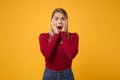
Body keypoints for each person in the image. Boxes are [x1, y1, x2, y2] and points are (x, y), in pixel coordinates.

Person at [39, 8, 79, 80]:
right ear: (51, 21)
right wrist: (56, 34)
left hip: (67, 75)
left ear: (66, 22)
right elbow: (47, 54)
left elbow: (71, 55)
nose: (60, 21)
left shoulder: (74, 36)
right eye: (56, 18)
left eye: (63, 19)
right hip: (49, 75)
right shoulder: (43, 37)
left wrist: (63, 34)